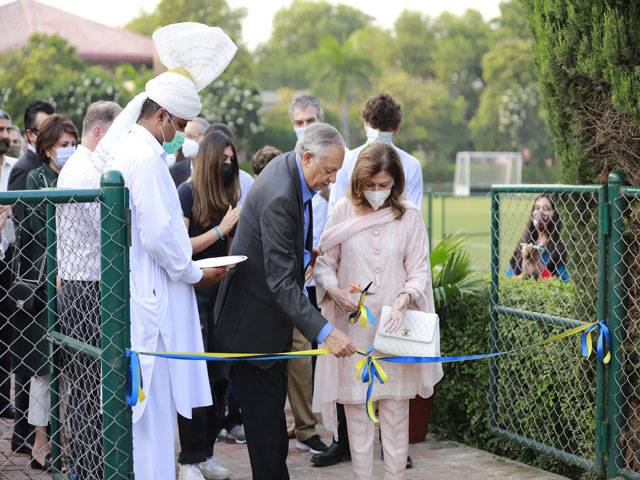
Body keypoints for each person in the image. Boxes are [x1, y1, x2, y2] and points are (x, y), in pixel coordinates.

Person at [90, 22, 237, 480]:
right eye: (177, 125)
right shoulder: (145, 156)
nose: (178, 135)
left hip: (144, 288)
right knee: (148, 416)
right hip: (151, 295)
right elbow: (159, 234)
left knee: (146, 414)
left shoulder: (138, 150)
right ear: (161, 117)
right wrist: (196, 274)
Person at [214, 122, 356, 479]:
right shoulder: (281, 194)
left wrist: (302, 253)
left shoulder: (290, 168)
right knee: (266, 431)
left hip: (265, 320)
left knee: (272, 426)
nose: (332, 179)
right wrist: (326, 332)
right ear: (307, 157)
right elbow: (279, 282)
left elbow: (276, 249)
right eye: (328, 170)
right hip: (253, 326)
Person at [313, 142, 443, 480]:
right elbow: (325, 263)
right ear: (358, 183)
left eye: (383, 186)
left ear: (395, 184)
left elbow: (419, 270)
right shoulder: (342, 210)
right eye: (370, 186)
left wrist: (405, 297)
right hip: (351, 330)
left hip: (393, 329)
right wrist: (336, 291)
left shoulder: (409, 215)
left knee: (397, 415)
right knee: (356, 414)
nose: (376, 192)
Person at [55, 100, 122, 479]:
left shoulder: (86, 166)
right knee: (86, 387)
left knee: (87, 385)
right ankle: (90, 467)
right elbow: (110, 230)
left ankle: (88, 465)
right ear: (98, 132)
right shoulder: (84, 171)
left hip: (87, 283)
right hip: (86, 287)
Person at [13, 114, 78, 471]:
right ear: (47, 146)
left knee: (70, 371)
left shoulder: (78, 174)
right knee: (44, 370)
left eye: (73, 144)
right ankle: (40, 440)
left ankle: (65, 440)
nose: (69, 151)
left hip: (74, 283)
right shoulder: (37, 178)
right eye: (63, 145)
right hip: (45, 287)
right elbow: (38, 229)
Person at [176, 130, 242, 480]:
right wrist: (220, 230)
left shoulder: (230, 197)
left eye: (233, 160)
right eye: (224, 160)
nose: (228, 166)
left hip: (221, 293)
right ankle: (189, 457)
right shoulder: (187, 192)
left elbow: (231, 250)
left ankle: (207, 454)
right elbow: (182, 247)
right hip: (194, 296)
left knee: (220, 377)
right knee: (194, 375)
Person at [7, 100, 54, 455]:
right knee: (31, 363)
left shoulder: (44, 169)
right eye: (44, 130)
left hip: (37, 277)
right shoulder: (27, 171)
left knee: (34, 362)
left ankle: (26, 434)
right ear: (31, 134)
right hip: (31, 277)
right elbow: (26, 227)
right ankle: (25, 435)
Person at [328, 93, 423, 214]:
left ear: (396, 129)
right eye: (375, 126)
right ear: (365, 124)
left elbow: (413, 214)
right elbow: (335, 210)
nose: (378, 133)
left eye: (383, 185)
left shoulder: (411, 165)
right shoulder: (346, 160)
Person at [507, 194, 569, 281]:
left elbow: (563, 284)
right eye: (537, 208)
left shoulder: (560, 248)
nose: (540, 212)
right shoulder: (524, 242)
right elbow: (508, 279)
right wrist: (524, 275)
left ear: (554, 214)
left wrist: (538, 266)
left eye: (546, 209)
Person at [0, 108, 17, 421]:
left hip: (9, 258)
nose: (4, 136)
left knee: (7, 333)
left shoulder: (14, 169)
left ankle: (4, 399)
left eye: (6, 129)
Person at [205, 123, 254, 205]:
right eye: (223, 158)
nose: (228, 163)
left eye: (231, 158)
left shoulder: (245, 180)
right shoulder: (192, 184)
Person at [170, 116, 210, 187]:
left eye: (190, 136)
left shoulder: (217, 169)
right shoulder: (174, 172)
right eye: (184, 136)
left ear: (206, 138)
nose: (185, 141)